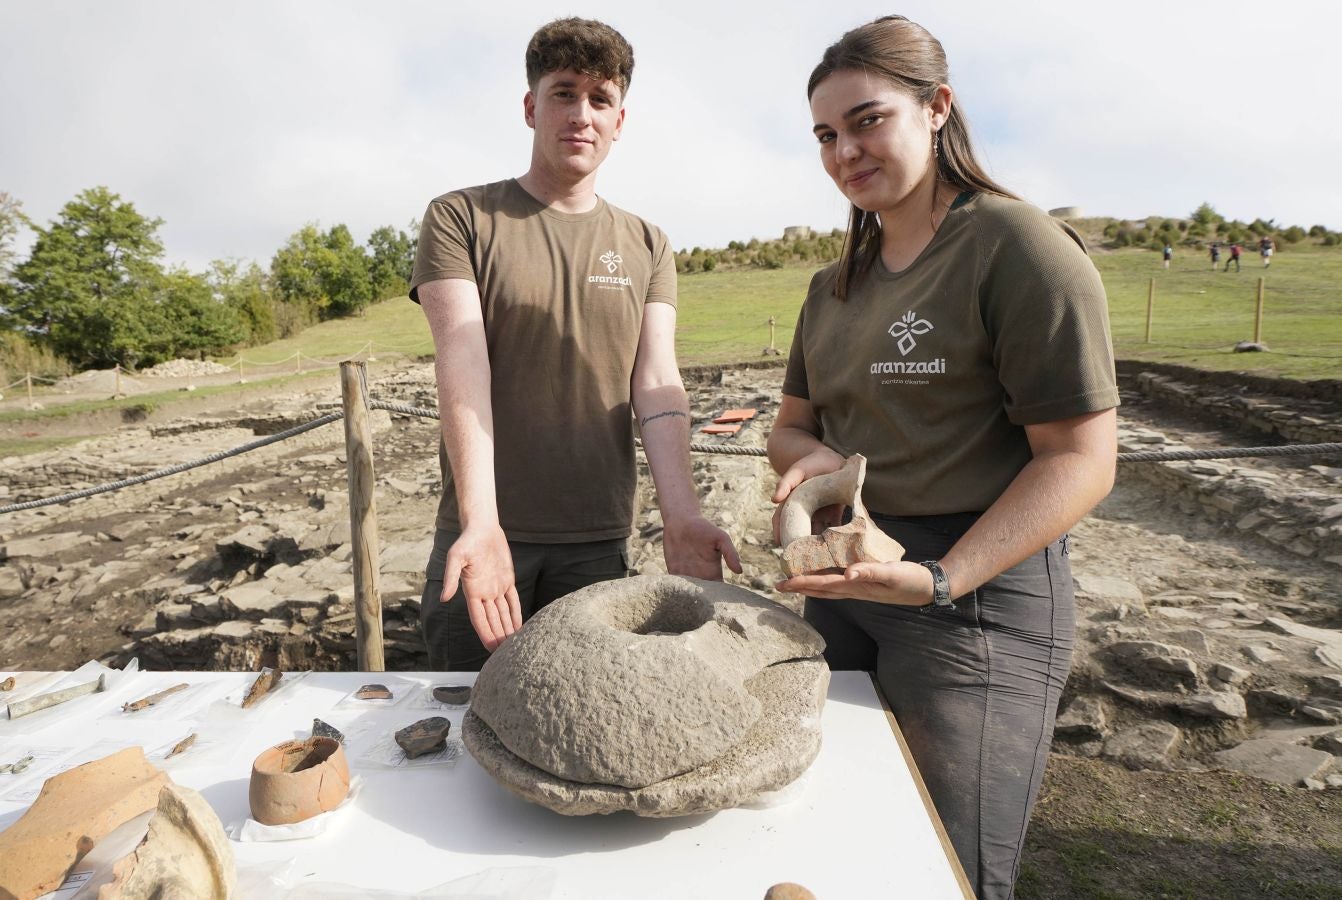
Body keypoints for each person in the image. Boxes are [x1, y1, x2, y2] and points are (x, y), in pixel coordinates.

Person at [768, 16, 1118, 899]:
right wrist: (828, 471)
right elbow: (790, 430)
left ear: (938, 109)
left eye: (867, 120)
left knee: (946, 867)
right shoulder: (832, 286)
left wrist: (939, 577)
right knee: (846, 828)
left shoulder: (1018, 248)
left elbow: (1080, 458)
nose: (845, 150)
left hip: (979, 603)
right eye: (825, 134)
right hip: (854, 585)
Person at [409, 17, 740, 672]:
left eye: (600, 98)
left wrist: (683, 516)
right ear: (532, 107)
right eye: (563, 93)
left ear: (620, 119)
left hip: (597, 543)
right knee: (461, 721)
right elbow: (462, 356)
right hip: (484, 535)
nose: (581, 114)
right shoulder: (460, 217)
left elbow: (656, 382)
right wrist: (481, 522)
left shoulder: (649, 243)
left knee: (585, 719)